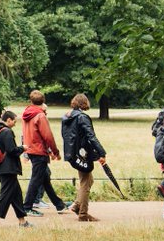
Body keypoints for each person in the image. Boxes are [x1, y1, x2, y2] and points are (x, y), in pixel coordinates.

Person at [0, 111, 32, 228]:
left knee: (16, 194)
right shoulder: (7, 132)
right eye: (14, 121)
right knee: (5, 193)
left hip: (0, 166)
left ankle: (22, 221)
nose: (15, 123)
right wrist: (22, 148)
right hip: (8, 168)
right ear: (8, 120)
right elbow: (11, 150)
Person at [21, 91, 69, 217]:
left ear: (30, 101)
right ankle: (27, 207)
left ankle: (59, 205)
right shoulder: (40, 116)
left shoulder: (27, 114)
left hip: (30, 149)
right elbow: (47, 136)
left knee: (45, 178)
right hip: (39, 151)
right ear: (43, 101)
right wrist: (55, 152)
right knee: (36, 179)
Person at [61, 94, 107, 222]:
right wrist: (101, 153)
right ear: (84, 103)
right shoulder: (82, 117)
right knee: (85, 184)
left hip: (72, 154)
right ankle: (83, 214)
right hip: (82, 154)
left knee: (88, 180)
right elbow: (91, 136)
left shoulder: (67, 117)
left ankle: (76, 205)